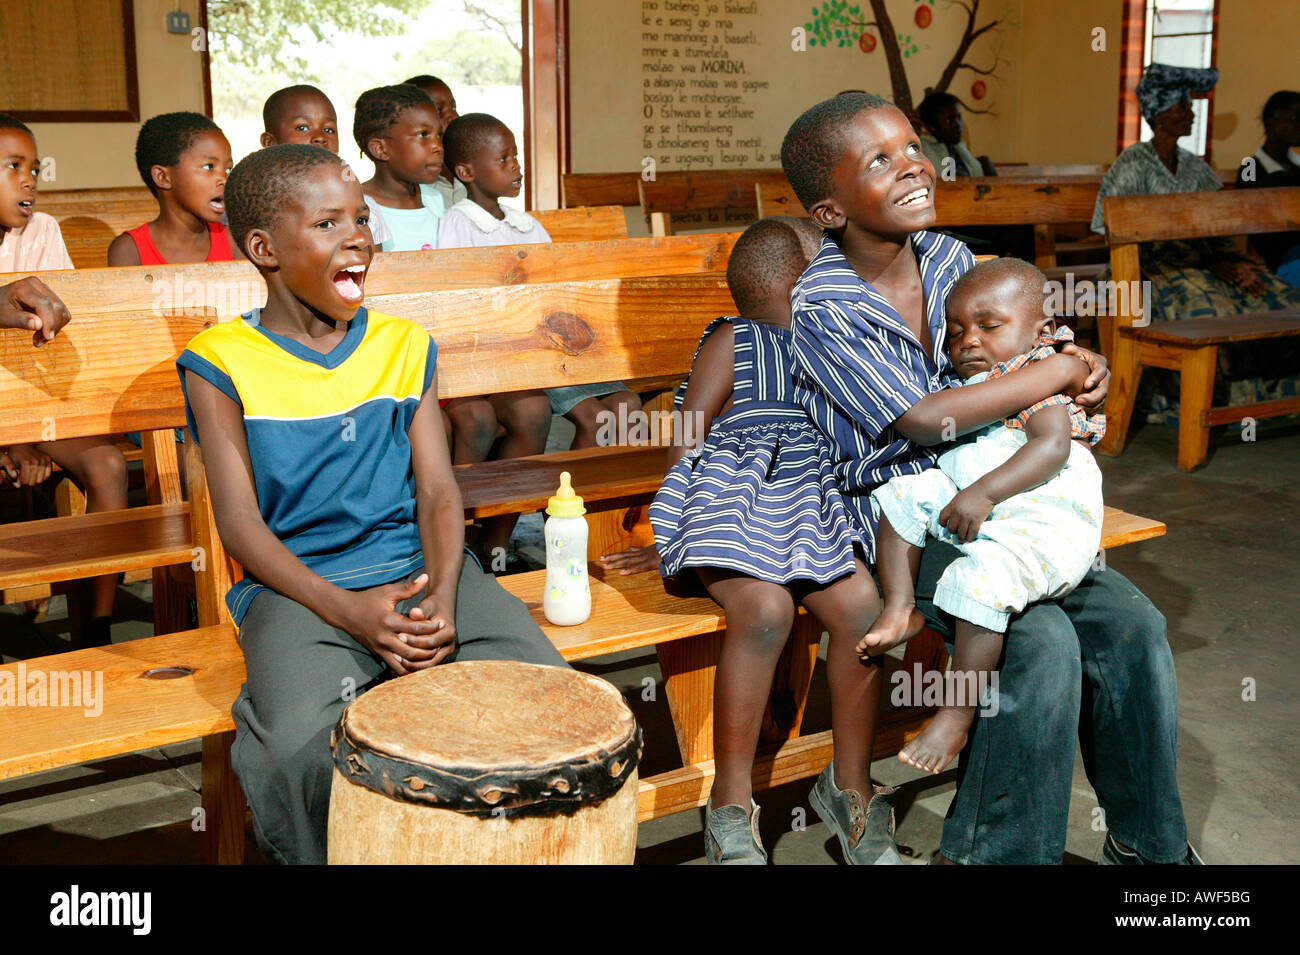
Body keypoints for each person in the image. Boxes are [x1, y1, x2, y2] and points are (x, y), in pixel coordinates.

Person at [783, 92, 1201, 865]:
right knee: (1039, 639)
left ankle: (1151, 851)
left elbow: (1029, 330)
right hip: (902, 518)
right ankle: (992, 854)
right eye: (880, 159)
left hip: (1007, 497)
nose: (912, 163)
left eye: (911, 145)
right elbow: (921, 421)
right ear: (830, 207)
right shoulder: (821, 305)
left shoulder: (952, 258)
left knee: (1133, 626)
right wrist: (1059, 370)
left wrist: (1076, 361)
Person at [176, 144, 567, 864]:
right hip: (296, 588)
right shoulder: (221, 360)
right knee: (300, 744)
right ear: (264, 248)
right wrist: (348, 610)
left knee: (549, 696)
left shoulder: (401, 346)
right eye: (329, 224)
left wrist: (445, 595)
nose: (359, 236)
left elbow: (438, 490)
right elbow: (238, 523)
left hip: (421, 570)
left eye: (361, 218)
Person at [644, 216, 895, 865]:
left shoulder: (832, 350)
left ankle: (851, 787)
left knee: (866, 613)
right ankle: (730, 803)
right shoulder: (735, 338)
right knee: (766, 610)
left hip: (809, 507)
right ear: (797, 281)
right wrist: (669, 521)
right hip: (734, 499)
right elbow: (688, 431)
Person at [863, 258, 1105, 775]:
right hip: (986, 498)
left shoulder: (1036, 376)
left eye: (988, 327)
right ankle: (902, 605)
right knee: (902, 494)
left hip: (1039, 517)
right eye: (956, 332)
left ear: (1043, 332)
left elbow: (1053, 447)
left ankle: (957, 711)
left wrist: (983, 493)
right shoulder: (985, 377)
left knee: (982, 585)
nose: (968, 341)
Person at [438, 112, 639, 571]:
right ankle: (548, 528)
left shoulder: (525, 223)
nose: (515, 166)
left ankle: (577, 523)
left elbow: (558, 282)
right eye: (503, 158)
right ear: (467, 173)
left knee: (625, 406)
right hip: (508, 352)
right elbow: (464, 292)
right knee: (593, 417)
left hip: (553, 349)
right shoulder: (459, 223)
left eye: (515, 156)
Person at [1092, 64, 1300, 423]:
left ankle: (1275, 401)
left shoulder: (1195, 166)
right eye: (1181, 107)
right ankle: (1211, 406)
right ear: (1158, 115)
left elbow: (1217, 227)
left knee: (1280, 298)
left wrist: (1233, 262)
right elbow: (1112, 231)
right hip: (1145, 269)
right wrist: (1210, 262)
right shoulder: (1131, 165)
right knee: (1212, 309)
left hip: (1200, 264)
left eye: (1190, 107)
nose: (1189, 113)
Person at [0, 113, 129, 647]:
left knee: (107, 463)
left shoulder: (42, 231)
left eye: (33, 168)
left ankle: (94, 628)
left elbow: (49, 347)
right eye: (13, 167)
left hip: (36, 407)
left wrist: (29, 434)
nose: (30, 179)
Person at [107, 112, 241, 266]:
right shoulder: (129, 250)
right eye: (208, 167)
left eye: (228, 169)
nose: (224, 179)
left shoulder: (234, 243)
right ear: (163, 177)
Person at [355, 84, 446, 253]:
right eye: (422, 135)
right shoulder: (360, 209)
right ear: (381, 149)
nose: (437, 146)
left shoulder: (434, 199)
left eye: (438, 135)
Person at [1235, 90, 1300, 285]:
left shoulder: (1296, 165)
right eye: (1295, 118)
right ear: (1272, 121)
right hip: (1280, 258)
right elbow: (1249, 215)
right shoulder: (1250, 167)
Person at [402, 74, 467, 210]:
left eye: (453, 108)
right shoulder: (414, 187)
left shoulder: (468, 171)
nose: (453, 116)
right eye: (439, 110)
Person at [917, 91, 994, 178]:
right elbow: (941, 177)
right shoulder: (923, 150)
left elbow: (978, 176)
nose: (958, 125)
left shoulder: (958, 148)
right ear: (932, 126)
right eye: (950, 120)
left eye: (959, 118)